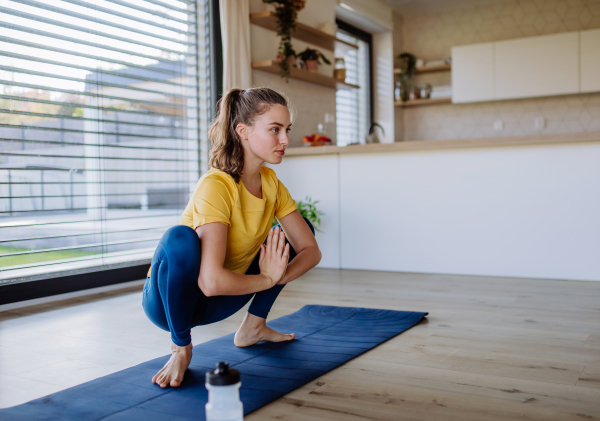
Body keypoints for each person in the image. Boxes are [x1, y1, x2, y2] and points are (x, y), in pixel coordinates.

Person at [142, 87, 322, 388]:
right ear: (243, 131)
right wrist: (268, 279)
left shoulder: (271, 183)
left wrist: (278, 273)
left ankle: (253, 327)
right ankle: (181, 347)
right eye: (275, 129)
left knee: (293, 235)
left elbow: (310, 249)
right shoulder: (217, 185)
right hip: (170, 303)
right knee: (180, 238)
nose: (285, 140)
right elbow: (210, 282)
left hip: (222, 299)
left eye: (287, 130)